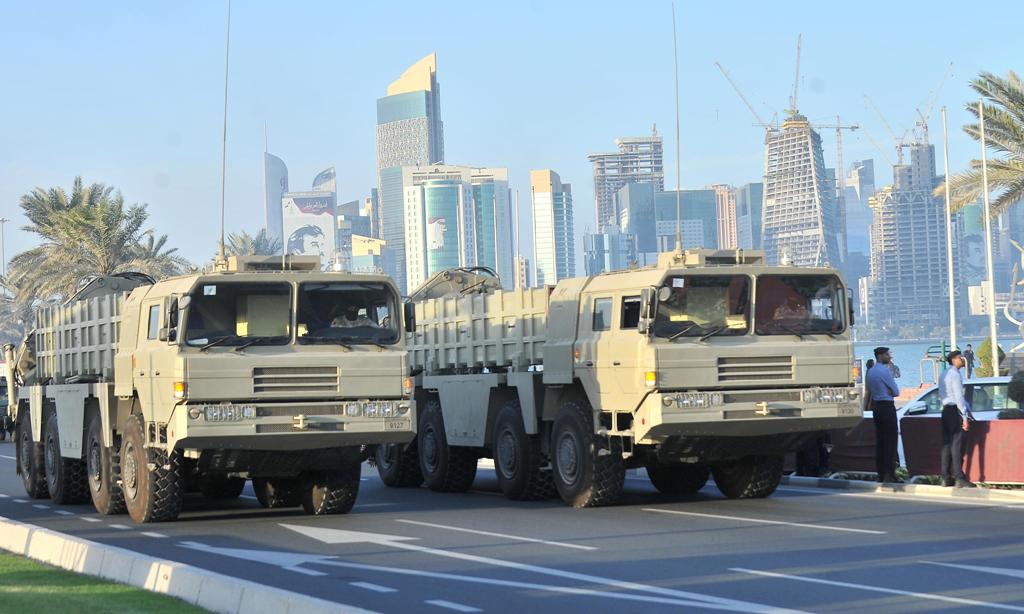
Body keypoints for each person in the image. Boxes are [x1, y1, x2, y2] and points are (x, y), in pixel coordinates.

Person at [939, 350, 976, 488]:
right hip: (954, 411)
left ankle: (945, 476)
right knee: (956, 445)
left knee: (946, 444)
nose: (962, 360)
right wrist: (965, 416)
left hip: (945, 410)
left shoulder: (944, 374)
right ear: (954, 360)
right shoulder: (955, 375)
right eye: (960, 358)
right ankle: (959, 477)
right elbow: (959, 397)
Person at [866, 347, 901, 483]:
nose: (889, 357)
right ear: (880, 356)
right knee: (890, 441)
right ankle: (889, 474)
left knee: (880, 441)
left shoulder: (871, 371)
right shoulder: (884, 371)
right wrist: (889, 391)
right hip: (887, 406)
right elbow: (896, 391)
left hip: (877, 407)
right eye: (887, 354)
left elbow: (870, 390)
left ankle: (881, 473)